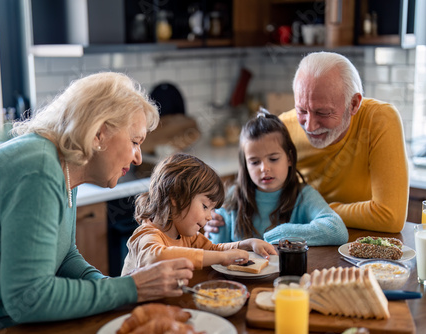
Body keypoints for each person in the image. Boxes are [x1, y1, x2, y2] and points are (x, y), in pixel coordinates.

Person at [0, 72, 195, 333]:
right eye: (135, 141)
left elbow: (65, 254)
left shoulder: (64, 163)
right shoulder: (39, 170)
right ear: (99, 134)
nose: (138, 157)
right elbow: (29, 298)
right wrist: (133, 288)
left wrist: (117, 287)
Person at [206, 51, 408, 235]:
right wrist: (213, 217)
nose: (310, 125)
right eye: (301, 110)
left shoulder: (379, 119)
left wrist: (318, 213)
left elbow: (390, 217)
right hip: (306, 241)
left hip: (361, 239)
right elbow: (250, 188)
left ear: (354, 104)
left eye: (323, 112)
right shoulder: (283, 128)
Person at [121, 153, 277, 276]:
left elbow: (213, 250)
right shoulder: (147, 235)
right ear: (176, 197)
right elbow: (156, 257)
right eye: (205, 206)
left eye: (211, 209)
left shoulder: (187, 237)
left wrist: (246, 244)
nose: (209, 216)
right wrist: (222, 258)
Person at [207, 110, 348, 246]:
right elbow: (216, 252)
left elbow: (337, 230)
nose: (264, 168)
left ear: (289, 158)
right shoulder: (232, 198)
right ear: (245, 165)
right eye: (255, 162)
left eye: (273, 159)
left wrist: (279, 235)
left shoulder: (304, 196)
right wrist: (210, 233)